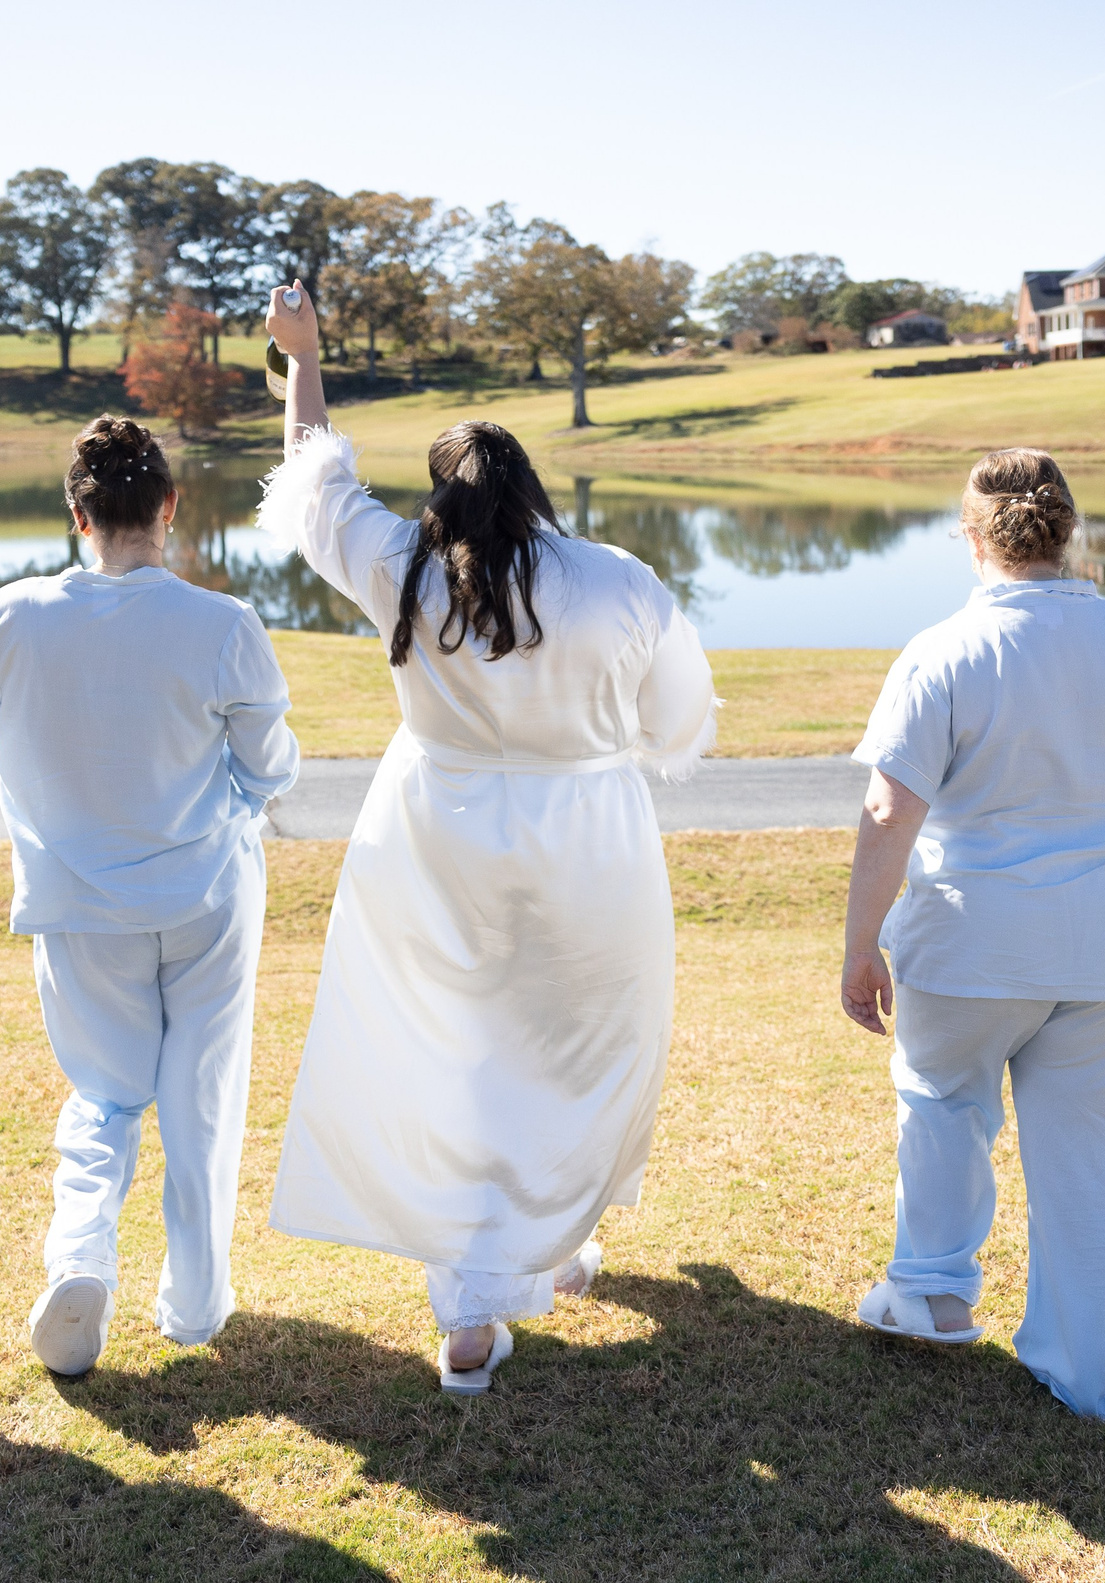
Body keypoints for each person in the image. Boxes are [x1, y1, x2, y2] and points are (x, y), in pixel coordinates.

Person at [254, 282, 717, 1396]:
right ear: (535, 489)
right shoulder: (619, 578)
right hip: (590, 840)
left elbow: (315, 485)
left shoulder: (403, 567)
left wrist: (303, 359)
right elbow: (680, 722)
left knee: (455, 1048)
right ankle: (545, 1244)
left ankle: (476, 1301)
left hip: (435, 835)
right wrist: (600, 739)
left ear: (439, 495)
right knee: (571, 1041)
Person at [0, 418, 297, 1374]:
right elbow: (271, 769)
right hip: (205, 896)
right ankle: (194, 1306)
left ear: (79, 517)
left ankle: (81, 1260)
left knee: (107, 1098)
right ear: (169, 506)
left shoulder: (16, 614)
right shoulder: (224, 625)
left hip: (79, 907)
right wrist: (224, 810)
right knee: (202, 1101)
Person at [839, 448, 1105, 1420]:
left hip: (975, 938)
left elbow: (889, 807)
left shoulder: (945, 649)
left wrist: (860, 941)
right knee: (1095, 1151)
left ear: (972, 539)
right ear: (1069, 530)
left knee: (943, 1102)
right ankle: (1082, 1364)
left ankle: (933, 1291)